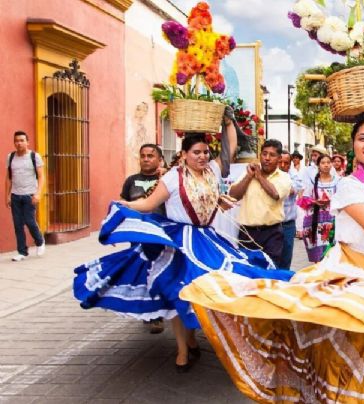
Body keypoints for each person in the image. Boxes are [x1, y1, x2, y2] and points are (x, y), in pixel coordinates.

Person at [180, 89, 364, 402]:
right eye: (363, 138)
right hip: (352, 273)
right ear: (353, 144)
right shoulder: (350, 185)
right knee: (354, 344)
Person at [73, 125, 294, 373]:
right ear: (185, 154)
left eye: (205, 152)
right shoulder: (172, 177)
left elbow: (229, 149)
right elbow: (148, 204)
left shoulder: (212, 171)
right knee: (179, 290)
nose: (202, 157)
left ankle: (191, 338)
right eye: (197, 152)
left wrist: (228, 122)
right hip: (180, 240)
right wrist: (123, 205)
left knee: (211, 287)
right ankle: (182, 350)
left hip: (208, 239)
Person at [120, 143, 167, 334]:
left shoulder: (166, 178)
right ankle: (150, 313)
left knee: (159, 274)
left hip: (160, 235)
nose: (146, 159)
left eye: (150, 156)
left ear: (159, 159)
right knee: (142, 274)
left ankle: (159, 312)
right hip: (138, 236)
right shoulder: (131, 181)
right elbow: (124, 205)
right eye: (143, 156)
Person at [230, 139, 291, 268]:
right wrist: (248, 177)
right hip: (247, 233)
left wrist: (259, 176)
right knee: (247, 271)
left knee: (269, 270)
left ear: (279, 158)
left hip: (272, 233)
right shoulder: (248, 173)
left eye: (272, 155)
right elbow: (233, 195)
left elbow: (275, 194)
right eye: (264, 154)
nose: (267, 158)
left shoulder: (284, 177)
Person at [6, 131, 45, 262]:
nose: (19, 143)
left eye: (22, 140)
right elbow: (8, 178)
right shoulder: (10, 157)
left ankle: (40, 241)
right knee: (17, 224)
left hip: (30, 194)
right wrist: (7, 195)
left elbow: (41, 176)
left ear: (27, 142)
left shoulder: (34, 156)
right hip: (15, 195)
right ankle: (22, 252)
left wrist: (38, 193)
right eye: (16, 140)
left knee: (29, 221)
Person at [297, 154, 339, 262]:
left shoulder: (338, 181)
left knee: (331, 255)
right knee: (318, 257)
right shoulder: (311, 182)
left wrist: (332, 201)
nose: (326, 165)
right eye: (323, 163)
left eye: (328, 163)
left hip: (332, 221)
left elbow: (343, 198)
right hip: (314, 222)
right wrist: (315, 202)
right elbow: (302, 200)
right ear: (318, 165)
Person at [278, 150, 303, 269]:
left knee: (285, 259)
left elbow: (292, 190)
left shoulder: (295, 176)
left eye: (286, 163)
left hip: (287, 225)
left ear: (290, 163)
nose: (282, 165)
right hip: (271, 224)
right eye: (280, 162)